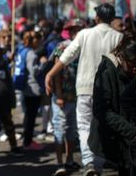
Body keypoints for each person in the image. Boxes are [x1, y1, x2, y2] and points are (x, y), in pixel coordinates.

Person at [46, 3, 123, 176]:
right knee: (103, 125)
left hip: (85, 89)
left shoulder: (85, 34)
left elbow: (66, 57)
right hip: (107, 90)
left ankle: (89, 163)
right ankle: (98, 164)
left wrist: (49, 74)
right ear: (112, 18)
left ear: (97, 18)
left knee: (84, 126)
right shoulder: (119, 37)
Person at [89, 37, 136, 176]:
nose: (135, 69)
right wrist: (131, 132)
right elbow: (101, 110)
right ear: (121, 56)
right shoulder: (107, 71)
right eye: (132, 64)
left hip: (134, 139)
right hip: (119, 139)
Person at [49, 19, 84, 176]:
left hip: (77, 96)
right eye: (73, 29)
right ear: (69, 31)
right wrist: (59, 95)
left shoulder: (84, 46)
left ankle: (69, 160)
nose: (76, 32)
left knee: (72, 131)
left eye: (79, 29)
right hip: (62, 97)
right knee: (59, 130)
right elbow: (56, 73)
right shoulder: (62, 46)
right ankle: (59, 163)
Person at [14, 30, 46, 151]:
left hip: (25, 88)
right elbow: (34, 71)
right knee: (31, 116)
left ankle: (28, 140)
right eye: (38, 40)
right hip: (33, 89)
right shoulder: (32, 54)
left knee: (29, 115)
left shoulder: (22, 50)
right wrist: (43, 63)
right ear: (34, 40)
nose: (40, 43)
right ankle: (28, 142)